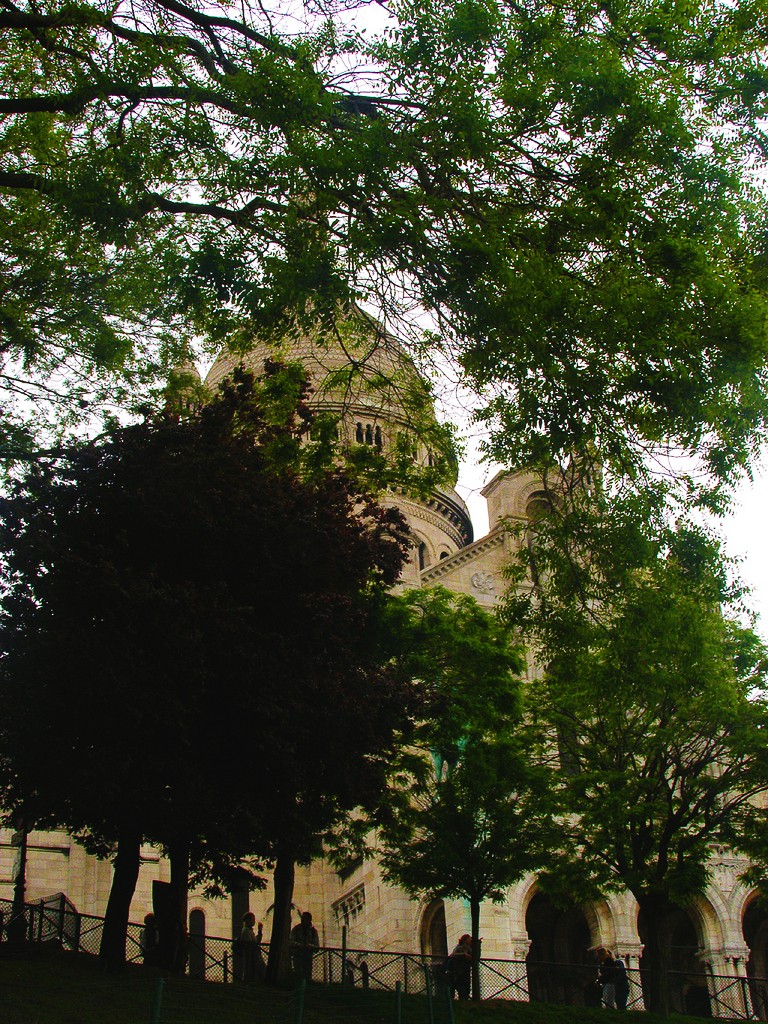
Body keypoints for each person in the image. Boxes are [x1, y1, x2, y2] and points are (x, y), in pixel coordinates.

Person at [290, 911, 319, 981]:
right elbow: (290, 941)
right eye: (302, 918)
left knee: (307, 975)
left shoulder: (313, 931)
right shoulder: (296, 929)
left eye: (304, 918)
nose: (302, 920)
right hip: (297, 956)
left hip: (308, 957)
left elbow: (316, 946)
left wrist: (309, 946)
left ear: (309, 919)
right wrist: (299, 945)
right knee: (298, 974)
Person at [237, 912, 263, 983]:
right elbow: (252, 944)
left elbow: (255, 942)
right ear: (247, 920)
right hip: (250, 956)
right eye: (252, 920)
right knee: (249, 971)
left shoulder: (249, 931)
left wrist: (260, 932)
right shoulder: (246, 931)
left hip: (252, 955)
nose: (254, 922)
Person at [445, 934, 472, 1000]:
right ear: (465, 940)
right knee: (458, 987)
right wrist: (463, 955)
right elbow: (452, 954)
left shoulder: (470, 947)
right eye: (469, 938)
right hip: (456, 970)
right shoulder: (459, 947)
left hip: (465, 970)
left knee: (465, 989)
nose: (470, 940)